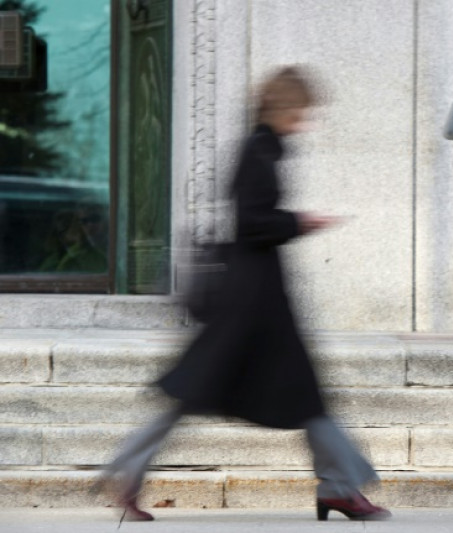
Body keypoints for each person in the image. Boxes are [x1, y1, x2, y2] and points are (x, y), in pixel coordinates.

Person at [98, 67, 391, 522]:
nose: (306, 122)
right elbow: (251, 223)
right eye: (301, 112)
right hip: (252, 301)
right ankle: (338, 488)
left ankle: (338, 488)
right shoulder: (257, 150)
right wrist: (300, 221)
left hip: (255, 296)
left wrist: (293, 222)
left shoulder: (263, 148)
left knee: (272, 393)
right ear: (284, 108)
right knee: (270, 393)